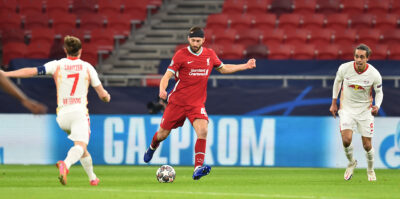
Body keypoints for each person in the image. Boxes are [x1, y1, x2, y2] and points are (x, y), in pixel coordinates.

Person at [143, 26, 256, 180]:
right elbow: (167, 75)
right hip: (177, 102)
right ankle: (151, 148)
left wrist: (245, 65)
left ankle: (197, 168)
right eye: (193, 40)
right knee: (162, 134)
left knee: (203, 130)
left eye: (198, 40)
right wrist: (162, 89)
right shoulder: (181, 55)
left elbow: (223, 68)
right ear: (188, 39)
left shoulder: (209, 54)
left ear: (203, 40)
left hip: (196, 104)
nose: (195, 43)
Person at [2, 36, 111, 186]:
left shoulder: (57, 65)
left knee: (80, 147)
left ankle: (93, 178)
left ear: (65, 50)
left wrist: (6, 75)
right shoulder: (87, 67)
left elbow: (31, 71)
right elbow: (102, 95)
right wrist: (107, 97)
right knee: (80, 146)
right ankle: (65, 165)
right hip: (79, 113)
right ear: (81, 50)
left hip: (62, 116)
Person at [329, 44, 383, 181]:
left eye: (362, 57)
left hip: (365, 111)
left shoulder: (374, 74)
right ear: (354, 57)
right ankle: (352, 162)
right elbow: (337, 82)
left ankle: (370, 170)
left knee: (367, 145)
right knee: (346, 140)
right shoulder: (344, 68)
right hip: (347, 109)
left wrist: (377, 105)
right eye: (357, 56)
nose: (359, 60)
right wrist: (334, 102)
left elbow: (379, 92)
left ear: (367, 58)